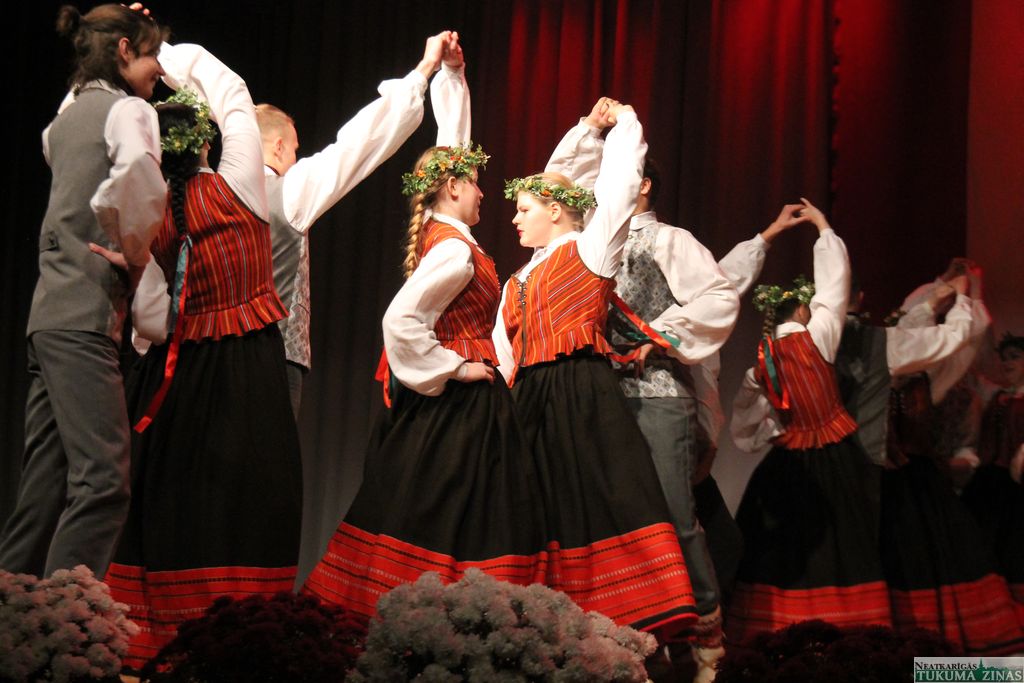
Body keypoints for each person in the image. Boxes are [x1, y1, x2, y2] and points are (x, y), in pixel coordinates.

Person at [94, 41, 302, 670]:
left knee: (178, 498)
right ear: (207, 143)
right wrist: (165, 50)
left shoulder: (157, 213)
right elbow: (233, 93)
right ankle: (243, 645)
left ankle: (164, 642)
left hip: (180, 374)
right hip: (248, 372)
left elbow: (152, 322)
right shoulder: (242, 184)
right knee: (250, 498)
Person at [301, 137, 550, 622]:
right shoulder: (454, 249)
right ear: (453, 187)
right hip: (457, 406)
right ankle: (439, 619)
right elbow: (400, 321)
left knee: (440, 504)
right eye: (474, 183)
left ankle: (430, 617)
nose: (482, 193)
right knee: (451, 507)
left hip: (456, 404)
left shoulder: (445, 237)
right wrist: (456, 367)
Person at [545, 107, 739, 678]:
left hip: (656, 393)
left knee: (673, 513)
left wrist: (663, 335)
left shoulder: (670, 240)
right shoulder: (588, 241)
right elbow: (556, 182)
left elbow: (718, 297)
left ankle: (707, 638)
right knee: (613, 520)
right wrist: (589, 129)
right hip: (600, 397)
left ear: (643, 183)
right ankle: (635, 639)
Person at [494, 100, 698, 637]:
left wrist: (624, 124)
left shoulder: (590, 250)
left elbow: (620, 187)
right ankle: (542, 628)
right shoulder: (516, 281)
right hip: (528, 397)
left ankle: (627, 625)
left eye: (523, 209)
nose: (514, 218)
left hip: (581, 390)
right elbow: (504, 352)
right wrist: (585, 128)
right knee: (535, 510)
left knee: (598, 500)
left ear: (555, 211)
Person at [0, 4, 167, 579]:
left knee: (45, 487)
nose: (159, 69)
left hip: (48, 314)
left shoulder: (64, 120)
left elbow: (68, 124)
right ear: (123, 50)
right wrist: (137, 252)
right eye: (151, 53)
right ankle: (65, 615)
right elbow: (140, 179)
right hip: (85, 316)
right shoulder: (130, 111)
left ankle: (12, 610)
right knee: (103, 481)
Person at [256, 31, 470, 416]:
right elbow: (358, 144)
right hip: (269, 355)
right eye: (294, 150)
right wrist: (425, 69)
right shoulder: (286, 193)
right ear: (278, 147)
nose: (294, 159)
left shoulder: (208, 190)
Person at [728, 200, 892, 641]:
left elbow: (745, 428)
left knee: (784, 546)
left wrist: (776, 433)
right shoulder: (819, 338)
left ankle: (781, 628)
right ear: (802, 311)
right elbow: (835, 288)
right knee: (844, 540)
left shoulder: (760, 365)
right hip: (837, 456)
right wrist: (822, 228)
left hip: (788, 463)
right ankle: (850, 629)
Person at [962, 333, 1024, 616]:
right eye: (1005, 358)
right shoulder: (999, 396)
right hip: (991, 478)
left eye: (1015, 357)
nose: (1007, 363)